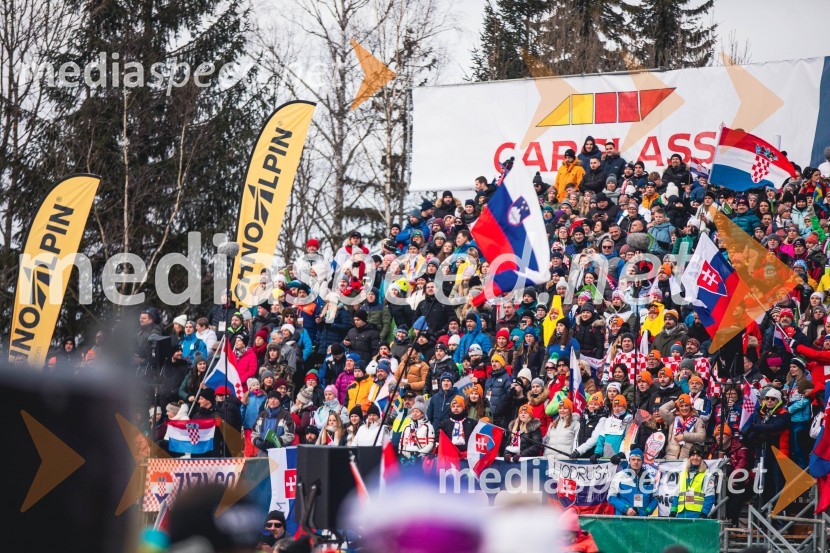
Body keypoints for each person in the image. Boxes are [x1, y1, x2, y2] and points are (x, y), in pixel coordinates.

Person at [608, 449, 658, 516]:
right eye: (633, 459)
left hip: (642, 520)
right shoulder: (620, 476)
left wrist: (647, 511)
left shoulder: (650, 479)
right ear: (629, 461)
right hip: (623, 518)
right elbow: (611, 497)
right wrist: (626, 509)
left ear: (642, 462)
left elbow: (655, 498)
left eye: (638, 460)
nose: (636, 462)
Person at [670, 444, 716, 518]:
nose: (695, 458)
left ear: (701, 458)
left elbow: (710, 497)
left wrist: (704, 513)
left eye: (698, 455)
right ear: (689, 457)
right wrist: (673, 510)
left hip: (697, 516)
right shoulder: (683, 474)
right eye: (693, 455)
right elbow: (676, 495)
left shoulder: (707, 475)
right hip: (681, 515)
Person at [399, 396, 435, 460]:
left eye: (417, 412)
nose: (415, 414)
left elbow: (430, 444)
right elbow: (402, 442)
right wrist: (402, 454)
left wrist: (420, 454)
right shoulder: (406, 427)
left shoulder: (428, 427)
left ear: (422, 414)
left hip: (421, 458)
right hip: (407, 457)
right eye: (413, 411)